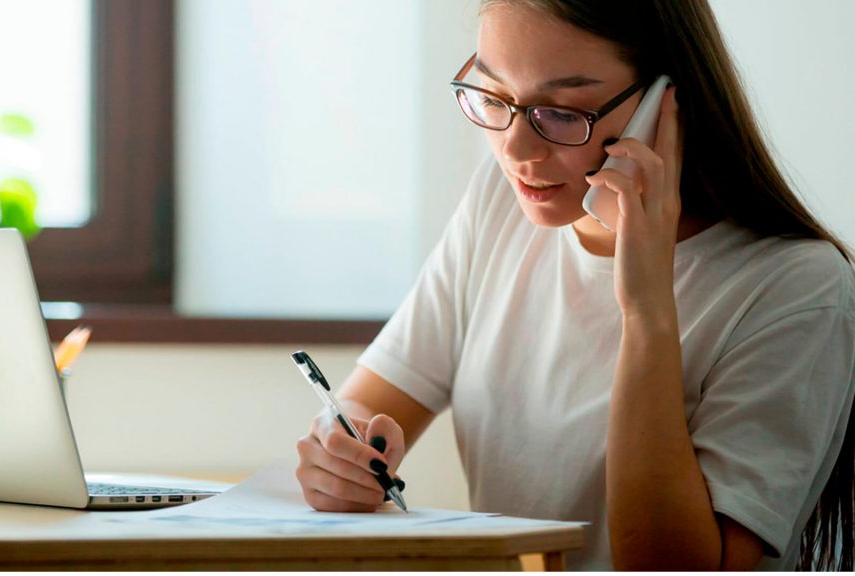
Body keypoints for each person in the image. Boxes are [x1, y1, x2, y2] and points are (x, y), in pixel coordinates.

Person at [293, 0, 855, 571]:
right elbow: (371, 401)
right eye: (493, 97)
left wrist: (647, 310)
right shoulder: (502, 201)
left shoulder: (796, 287)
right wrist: (341, 450)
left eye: (562, 113)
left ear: (666, 103)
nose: (516, 150)